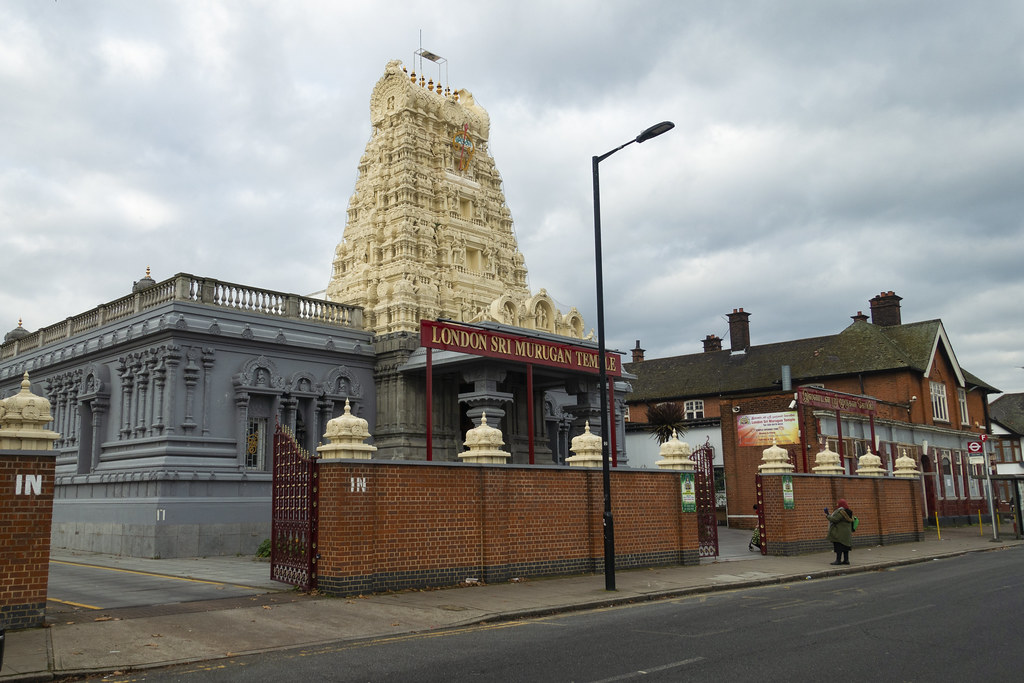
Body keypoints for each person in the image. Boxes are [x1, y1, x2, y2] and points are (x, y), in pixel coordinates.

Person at [825, 499, 854, 565]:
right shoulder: (849, 512)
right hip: (846, 533)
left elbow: (834, 519)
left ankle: (838, 560)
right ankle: (846, 560)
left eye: (838, 503)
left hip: (839, 532)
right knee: (846, 547)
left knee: (839, 547)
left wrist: (828, 515)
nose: (837, 505)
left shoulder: (841, 512)